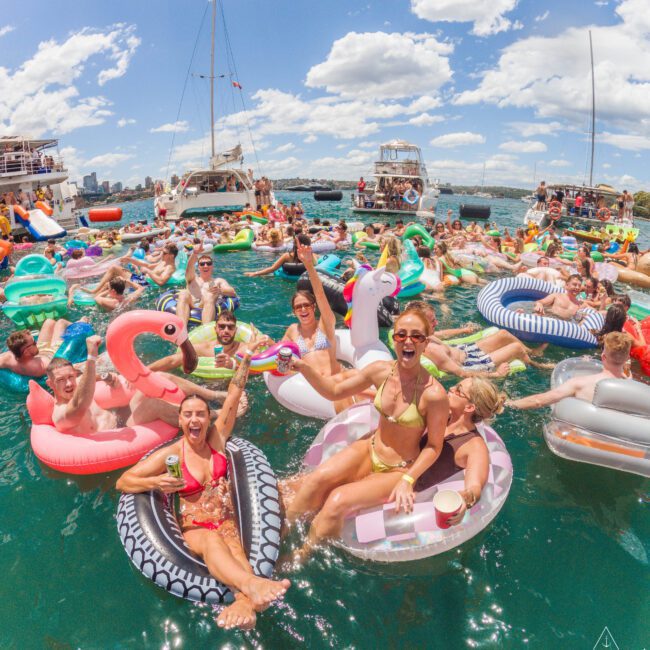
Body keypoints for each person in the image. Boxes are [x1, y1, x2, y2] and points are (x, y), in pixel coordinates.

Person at [116, 353, 290, 631]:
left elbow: (233, 395)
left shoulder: (216, 443)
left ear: (209, 419)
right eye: (188, 415)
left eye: (200, 414)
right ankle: (251, 584)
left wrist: (245, 359)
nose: (194, 419)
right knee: (212, 542)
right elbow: (124, 481)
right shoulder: (173, 453)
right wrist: (157, 483)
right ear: (181, 420)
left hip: (227, 519)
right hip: (196, 526)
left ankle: (245, 604)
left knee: (233, 545)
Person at [281, 308, 449, 559]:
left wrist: (408, 480)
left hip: (399, 468)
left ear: (426, 342)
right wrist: (301, 366)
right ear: (393, 338)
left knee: (337, 500)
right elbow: (334, 390)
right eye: (401, 335)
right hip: (370, 447)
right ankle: (279, 536)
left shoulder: (434, 395)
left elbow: (435, 446)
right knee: (316, 480)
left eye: (416, 336)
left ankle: (299, 557)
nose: (408, 341)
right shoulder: (381, 371)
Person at [47, 335, 228, 436]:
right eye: (61, 381)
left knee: (158, 376)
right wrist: (91, 356)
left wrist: (107, 376)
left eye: (70, 377)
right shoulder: (62, 415)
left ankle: (214, 395)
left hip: (120, 418)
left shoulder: (77, 383)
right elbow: (79, 404)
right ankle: (217, 415)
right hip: (117, 434)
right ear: (50, 384)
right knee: (154, 405)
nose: (69, 383)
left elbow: (89, 379)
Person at [414, 377, 505, 524]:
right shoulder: (441, 415)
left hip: (415, 496)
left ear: (469, 407)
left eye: (458, 390)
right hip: (400, 473)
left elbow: (474, 486)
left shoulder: (474, 446)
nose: (451, 389)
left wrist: (465, 499)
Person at [413, 302, 551, 377]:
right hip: (470, 363)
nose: (436, 323)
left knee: (503, 333)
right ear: (420, 323)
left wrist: (462, 330)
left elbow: (441, 334)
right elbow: (461, 373)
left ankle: (532, 352)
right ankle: (536, 366)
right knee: (516, 348)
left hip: (465, 350)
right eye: (432, 321)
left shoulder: (424, 334)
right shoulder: (430, 350)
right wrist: (497, 375)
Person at [506, 332, 632, 408]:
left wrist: (509, 403)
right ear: (627, 357)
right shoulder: (631, 386)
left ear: (603, 356)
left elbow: (539, 401)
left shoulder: (579, 383)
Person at [150, 310, 269, 377]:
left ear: (235, 331)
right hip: (203, 384)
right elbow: (173, 360)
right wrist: (145, 372)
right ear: (215, 329)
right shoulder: (203, 348)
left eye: (230, 327)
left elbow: (259, 368)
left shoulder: (244, 348)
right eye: (222, 327)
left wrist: (233, 364)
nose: (226, 330)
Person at [176, 245, 236, 326]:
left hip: (205, 304)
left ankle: (205, 331)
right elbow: (189, 268)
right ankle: (181, 330)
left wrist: (220, 291)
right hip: (191, 303)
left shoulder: (217, 281)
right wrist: (195, 253)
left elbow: (232, 292)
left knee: (209, 295)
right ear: (198, 267)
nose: (205, 266)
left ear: (212, 266)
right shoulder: (193, 278)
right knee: (183, 293)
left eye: (208, 263)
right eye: (202, 264)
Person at [0, 317, 72, 376]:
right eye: (34, 343)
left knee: (49, 321)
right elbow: (66, 370)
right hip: (52, 351)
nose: (36, 342)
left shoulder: (8, 358)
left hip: (41, 351)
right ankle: (82, 322)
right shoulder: (42, 365)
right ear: (26, 352)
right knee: (61, 322)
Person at [244, 234, 317, 277]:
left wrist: (255, 273)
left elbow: (272, 268)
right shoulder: (312, 256)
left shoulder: (287, 256)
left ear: (294, 244)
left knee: (267, 277)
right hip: (305, 280)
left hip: (288, 279)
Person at [68, 276, 145, 312]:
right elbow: (141, 288)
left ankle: (71, 290)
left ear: (113, 291)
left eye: (109, 288)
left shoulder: (110, 302)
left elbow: (96, 297)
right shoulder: (129, 299)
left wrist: (107, 291)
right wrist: (128, 281)